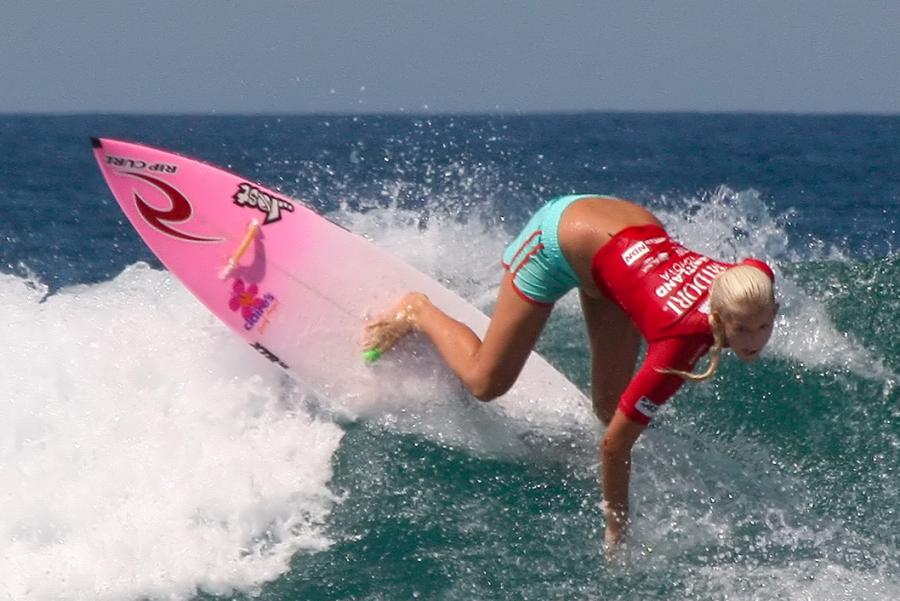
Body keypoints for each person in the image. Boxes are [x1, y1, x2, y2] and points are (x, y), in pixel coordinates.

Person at [363, 194, 778, 551]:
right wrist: (617, 532)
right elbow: (614, 448)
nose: (754, 340)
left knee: (610, 409)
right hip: (558, 240)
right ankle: (418, 311)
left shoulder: (752, 284)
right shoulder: (679, 341)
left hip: (625, 240)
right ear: (718, 317)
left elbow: (756, 266)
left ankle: (560, 451)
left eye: (763, 326)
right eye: (741, 329)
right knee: (485, 382)